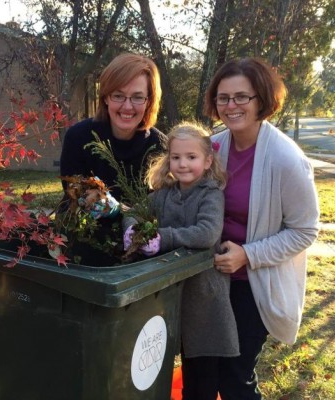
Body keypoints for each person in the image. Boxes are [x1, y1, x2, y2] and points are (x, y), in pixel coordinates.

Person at [202, 57, 320, 399]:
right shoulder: (214, 147)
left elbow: (305, 230)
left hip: (254, 283)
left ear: (262, 100)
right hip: (211, 278)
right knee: (206, 370)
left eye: (242, 97)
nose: (231, 105)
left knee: (236, 377)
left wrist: (248, 255)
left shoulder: (286, 159)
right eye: (223, 98)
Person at [123, 121, 240, 398]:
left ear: (207, 160)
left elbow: (207, 233)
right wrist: (131, 229)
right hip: (175, 293)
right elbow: (136, 211)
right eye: (176, 157)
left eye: (191, 157)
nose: (183, 164)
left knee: (205, 364)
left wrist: (162, 237)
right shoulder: (164, 194)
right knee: (185, 358)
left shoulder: (210, 193)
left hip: (205, 293)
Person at [58, 52, 167, 265]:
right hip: (82, 247)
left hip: (137, 251)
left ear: (149, 101)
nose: (127, 106)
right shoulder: (79, 137)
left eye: (137, 97)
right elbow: (74, 194)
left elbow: (158, 211)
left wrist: (120, 210)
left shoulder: (160, 148)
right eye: (118, 95)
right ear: (106, 97)